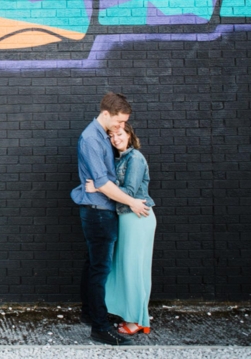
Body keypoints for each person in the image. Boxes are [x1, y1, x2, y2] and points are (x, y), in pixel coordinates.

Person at [71, 92, 150, 346]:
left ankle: (89, 313)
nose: (121, 127)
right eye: (118, 122)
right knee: (100, 268)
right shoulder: (91, 139)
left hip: (100, 209)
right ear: (106, 114)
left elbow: (106, 180)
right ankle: (100, 327)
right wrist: (131, 201)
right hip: (98, 212)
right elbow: (103, 182)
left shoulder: (102, 136)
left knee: (93, 264)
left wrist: (100, 186)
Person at [86, 123, 156, 335]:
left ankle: (138, 321)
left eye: (119, 134)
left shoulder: (134, 158)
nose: (115, 139)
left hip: (137, 218)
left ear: (129, 134)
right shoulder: (122, 158)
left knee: (135, 271)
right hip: (126, 218)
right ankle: (134, 317)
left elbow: (130, 191)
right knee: (126, 269)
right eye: (111, 136)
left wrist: (99, 187)